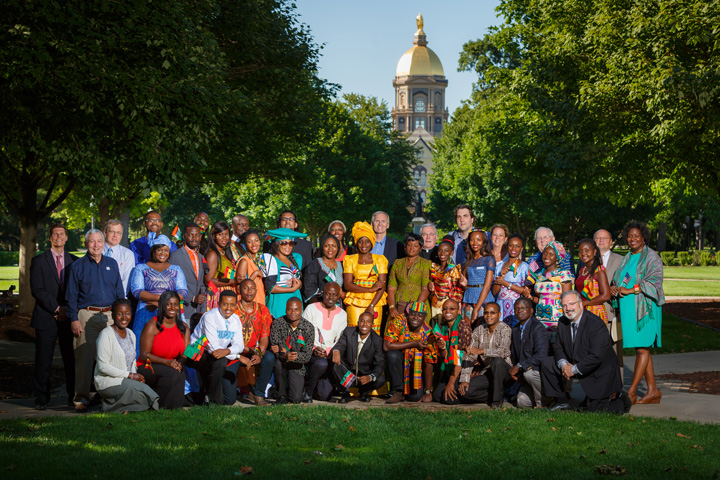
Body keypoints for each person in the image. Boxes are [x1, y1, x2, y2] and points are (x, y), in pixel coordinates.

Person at [540, 291, 630, 413]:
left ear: (581, 304)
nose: (568, 308)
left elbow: (596, 357)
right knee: (547, 363)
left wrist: (572, 369)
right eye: (564, 305)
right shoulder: (562, 322)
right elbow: (558, 347)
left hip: (599, 371)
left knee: (596, 410)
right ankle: (562, 401)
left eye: (571, 304)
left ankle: (622, 400)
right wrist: (564, 364)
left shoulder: (595, 324)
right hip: (575, 363)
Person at [66, 229, 125, 412]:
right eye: (92, 241)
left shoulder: (112, 264)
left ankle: (110, 396)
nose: (96, 245)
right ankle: (81, 398)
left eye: (99, 241)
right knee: (84, 358)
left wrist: (120, 317)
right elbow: (71, 297)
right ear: (86, 244)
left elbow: (119, 292)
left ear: (103, 243)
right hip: (86, 315)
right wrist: (74, 319)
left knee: (113, 357)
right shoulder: (78, 266)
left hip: (109, 315)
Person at [611, 222, 664, 405]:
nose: (632, 239)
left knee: (642, 348)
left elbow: (655, 282)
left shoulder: (651, 257)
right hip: (628, 310)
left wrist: (631, 290)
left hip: (645, 310)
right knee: (641, 348)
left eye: (636, 236)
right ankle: (653, 391)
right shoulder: (627, 258)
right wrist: (615, 289)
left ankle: (632, 392)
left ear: (643, 238)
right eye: (630, 236)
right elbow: (619, 278)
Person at [31, 223, 77, 410]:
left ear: (66, 238)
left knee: (70, 360)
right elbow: (37, 290)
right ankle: (41, 399)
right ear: (50, 238)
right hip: (46, 317)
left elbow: (76, 289)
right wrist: (57, 308)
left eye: (62, 234)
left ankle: (72, 397)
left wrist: (67, 310)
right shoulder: (39, 261)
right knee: (43, 361)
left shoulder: (75, 261)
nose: (58, 236)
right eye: (55, 234)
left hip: (68, 319)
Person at [94, 299, 159, 412]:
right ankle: (109, 406)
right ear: (113, 315)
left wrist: (135, 377)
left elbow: (132, 361)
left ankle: (111, 403)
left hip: (127, 380)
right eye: (120, 314)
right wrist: (130, 375)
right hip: (108, 381)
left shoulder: (131, 334)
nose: (124, 317)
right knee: (145, 393)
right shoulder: (105, 335)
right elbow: (103, 367)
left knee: (142, 390)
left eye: (127, 313)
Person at [189, 290, 250, 405]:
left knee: (229, 400)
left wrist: (229, 351)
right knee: (220, 361)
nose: (228, 308)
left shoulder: (236, 319)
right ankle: (212, 400)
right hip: (195, 351)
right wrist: (237, 356)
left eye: (232, 305)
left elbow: (239, 345)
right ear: (218, 303)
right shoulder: (210, 317)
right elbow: (214, 349)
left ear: (236, 305)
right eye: (225, 304)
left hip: (218, 353)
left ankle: (213, 394)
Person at [129, 235, 188, 351]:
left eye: (166, 250)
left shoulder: (176, 269)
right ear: (153, 251)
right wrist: (164, 299)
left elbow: (183, 292)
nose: (163, 253)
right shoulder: (141, 268)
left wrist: (162, 302)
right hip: (146, 310)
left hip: (170, 311)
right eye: (159, 250)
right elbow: (137, 291)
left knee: (170, 345)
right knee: (144, 346)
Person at [136, 291, 189, 409]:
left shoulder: (184, 327)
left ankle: (174, 408)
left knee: (178, 373)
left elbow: (186, 352)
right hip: (148, 365)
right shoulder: (152, 325)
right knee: (173, 373)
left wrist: (178, 363)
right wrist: (168, 363)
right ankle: (163, 406)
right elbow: (144, 355)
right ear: (161, 306)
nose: (172, 308)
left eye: (175, 304)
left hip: (171, 365)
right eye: (168, 304)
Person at [457, 302, 513, 407]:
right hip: (488, 372)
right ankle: (498, 394)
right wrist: (465, 379)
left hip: (504, 372)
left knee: (497, 361)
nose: (489, 316)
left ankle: (496, 402)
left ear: (499, 315)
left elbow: (502, 352)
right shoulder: (479, 330)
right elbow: (470, 355)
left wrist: (482, 351)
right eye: (486, 313)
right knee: (466, 391)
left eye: (493, 313)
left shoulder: (505, 329)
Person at [384, 302, 437, 404]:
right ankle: (398, 391)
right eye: (412, 314)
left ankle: (408, 391)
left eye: (420, 315)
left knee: (415, 398)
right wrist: (414, 343)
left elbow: (428, 364)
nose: (415, 317)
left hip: (415, 369)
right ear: (408, 313)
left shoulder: (428, 333)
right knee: (393, 355)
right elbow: (387, 346)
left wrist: (427, 391)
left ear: (425, 317)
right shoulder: (399, 321)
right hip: (400, 364)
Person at [303, 283, 348, 401]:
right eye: (328, 294)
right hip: (311, 352)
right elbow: (302, 333)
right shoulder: (311, 308)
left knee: (324, 395)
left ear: (339, 296)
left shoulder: (342, 314)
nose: (330, 298)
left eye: (334, 295)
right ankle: (307, 392)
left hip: (330, 354)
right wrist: (313, 349)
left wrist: (329, 351)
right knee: (320, 363)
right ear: (323, 293)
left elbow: (340, 339)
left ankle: (319, 384)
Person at [234, 279, 274, 406]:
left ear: (256, 291)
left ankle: (258, 394)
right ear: (240, 290)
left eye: (252, 288)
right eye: (245, 288)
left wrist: (259, 353)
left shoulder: (263, 310)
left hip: (252, 350)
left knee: (268, 358)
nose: (249, 291)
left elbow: (264, 336)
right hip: (235, 350)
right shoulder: (233, 308)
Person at [343, 221, 388, 333]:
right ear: (356, 243)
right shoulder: (350, 259)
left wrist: (372, 305)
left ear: (372, 242)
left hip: (375, 301)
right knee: (354, 331)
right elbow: (348, 284)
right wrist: (370, 289)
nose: (364, 245)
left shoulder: (380, 259)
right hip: (355, 301)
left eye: (367, 241)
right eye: (360, 242)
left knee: (373, 333)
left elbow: (382, 286)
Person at [331, 312, 386, 403]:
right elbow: (340, 345)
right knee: (335, 365)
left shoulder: (377, 340)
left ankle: (363, 392)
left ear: (372, 324)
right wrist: (336, 351)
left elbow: (380, 363)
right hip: (348, 371)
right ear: (358, 322)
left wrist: (370, 377)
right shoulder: (349, 332)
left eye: (368, 321)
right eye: (362, 321)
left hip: (364, 374)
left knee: (380, 379)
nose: (364, 324)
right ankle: (346, 391)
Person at [269, 298, 315, 404]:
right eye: (290, 309)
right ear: (285, 310)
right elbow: (275, 347)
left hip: (297, 365)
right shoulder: (278, 323)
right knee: (278, 364)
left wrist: (294, 356)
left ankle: (298, 390)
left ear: (301, 310)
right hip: (282, 362)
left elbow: (307, 355)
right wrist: (284, 355)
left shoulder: (308, 328)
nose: (293, 312)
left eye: (296, 309)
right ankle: (280, 395)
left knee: (295, 399)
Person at [593, 228, 624, 372]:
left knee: (615, 354)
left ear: (610, 242)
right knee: (593, 353)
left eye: (604, 238)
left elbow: (626, 281)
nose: (601, 241)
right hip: (591, 313)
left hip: (611, 313)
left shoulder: (620, 260)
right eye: (598, 238)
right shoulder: (586, 260)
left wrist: (616, 289)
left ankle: (617, 388)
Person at [527, 240, 573, 339]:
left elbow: (567, 300)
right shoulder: (539, 275)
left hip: (557, 319)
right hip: (540, 318)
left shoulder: (564, 274)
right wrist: (530, 297)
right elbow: (541, 299)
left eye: (551, 254)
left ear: (557, 257)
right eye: (545, 253)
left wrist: (566, 321)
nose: (547, 256)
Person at [508, 297, 549, 408]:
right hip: (525, 374)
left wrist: (520, 366)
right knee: (522, 402)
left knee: (529, 374)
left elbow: (541, 355)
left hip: (539, 372)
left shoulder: (537, 328)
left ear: (531, 310)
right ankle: (547, 399)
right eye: (516, 308)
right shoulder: (516, 329)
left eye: (523, 308)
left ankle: (542, 404)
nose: (520, 311)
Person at [432, 299, 472, 404]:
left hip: (463, 370)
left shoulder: (462, 326)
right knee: (436, 397)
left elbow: (460, 358)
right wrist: (442, 348)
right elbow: (445, 356)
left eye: (451, 309)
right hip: (450, 369)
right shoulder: (443, 326)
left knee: (448, 399)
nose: (447, 311)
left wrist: (450, 383)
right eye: (445, 309)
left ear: (458, 311)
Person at [260, 228, 307, 319]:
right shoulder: (271, 260)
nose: (288, 246)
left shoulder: (296, 258)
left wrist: (299, 284)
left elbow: (297, 283)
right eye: (284, 243)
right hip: (279, 302)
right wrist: (291, 289)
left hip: (295, 300)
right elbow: (270, 288)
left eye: (291, 243)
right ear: (276, 244)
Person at [387, 232, 432, 318]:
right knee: (396, 329)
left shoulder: (426, 263)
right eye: (409, 245)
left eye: (415, 246)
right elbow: (391, 288)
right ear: (405, 246)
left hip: (418, 305)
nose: (411, 248)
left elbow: (425, 289)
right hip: (398, 305)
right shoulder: (397, 263)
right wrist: (392, 307)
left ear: (421, 248)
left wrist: (416, 309)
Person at [169, 223, 207, 321]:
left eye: (197, 235)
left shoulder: (200, 257)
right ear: (185, 236)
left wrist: (203, 308)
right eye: (191, 235)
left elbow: (202, 284)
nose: (194, 238)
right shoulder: (176, 256)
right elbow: (172, 283)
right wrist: (192, 298)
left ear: (200, 237)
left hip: (198, 312)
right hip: (183, 309)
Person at [492, 234, 530, 324]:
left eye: (517, 246)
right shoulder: (500, 266)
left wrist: (505, 283)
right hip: (501, 305)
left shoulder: (525, 267)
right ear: (507, 246)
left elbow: (525, 292)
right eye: (511, 245)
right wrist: (501, 276)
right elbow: (494, 292)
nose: (513, 249)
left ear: (521, 248)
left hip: (517, 307)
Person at [461, 229, 496, 324]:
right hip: (468, 299)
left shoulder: (489, 259)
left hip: (484, 301)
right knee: (467, 332)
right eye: (472, 240)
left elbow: (487, 287)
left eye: (478, 240)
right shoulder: (468, 261)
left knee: (482, 332)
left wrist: (476, 309)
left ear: (484, 241)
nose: (475, 243)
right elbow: (465, 283)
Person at [428, 235, 466, 318]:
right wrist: (431, 290)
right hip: (435, 307)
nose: (442, 253)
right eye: (440, 250)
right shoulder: (434, 268)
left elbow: (457, 295)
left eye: (446, 251)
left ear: (452, 253)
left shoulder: (454, 270)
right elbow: (432, 293)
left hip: (449, 309)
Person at [204, 221, 239, 311]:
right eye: (220, 234)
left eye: (226, 234)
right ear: (214, 236)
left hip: (228, 294)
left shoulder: (225, 252)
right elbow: (209, 281)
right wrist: (232, 281)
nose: (224, 238)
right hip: (217, 295)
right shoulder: (212, 254)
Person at [575, 238, 610, 323]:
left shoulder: (599, 271)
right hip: (582, 312)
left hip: (595, 313)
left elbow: (606, 296)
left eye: (587, 250)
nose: (583, 254)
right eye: (580, 251)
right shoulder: (582, 270)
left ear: (594, 252)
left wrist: (584, 303)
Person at [302, 234, 344, 305]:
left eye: (334, 246)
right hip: (319, 307)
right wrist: (320, 309)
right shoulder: (314, 265)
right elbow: (309, 291)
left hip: (337, 307)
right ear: (322, 247)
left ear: (338, 248)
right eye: (326, 246)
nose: (330, 249)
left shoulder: (340, 265)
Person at [103, 219, 135, 294]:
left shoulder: (127, 254)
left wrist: (119, 299)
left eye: (118, 232)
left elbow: (126, 281)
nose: (115, 235)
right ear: (105, 233)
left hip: (117, 298)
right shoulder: (95, 251)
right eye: (112, 232)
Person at [235, 228, 266, 305]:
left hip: (259, 299)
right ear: (245, 244)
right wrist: (255, 274)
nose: (254, 244)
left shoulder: (257, 260)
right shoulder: (244, 261)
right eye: (249, 242)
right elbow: (239, 289)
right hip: (248, 305)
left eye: (256, 240)